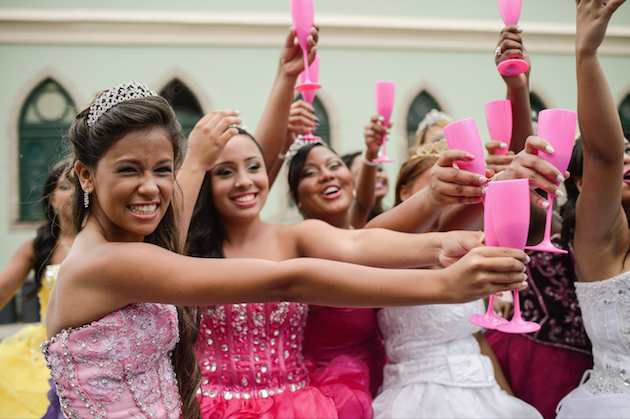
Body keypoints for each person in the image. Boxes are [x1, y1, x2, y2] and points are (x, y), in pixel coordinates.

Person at [41, 81, 529, 419]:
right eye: (129, 169)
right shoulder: (108, 263)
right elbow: (286, 279)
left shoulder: (135, 249)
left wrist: (448, 239)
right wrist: (442, 284)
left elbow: (357, 242)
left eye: (163, 169)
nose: (150, 187)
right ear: (85, 175)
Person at [371, 144, 542, 418]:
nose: (452, 193)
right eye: (441, 183)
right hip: (417, 402)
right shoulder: (386, 251)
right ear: (405, 191)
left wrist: (507, 398)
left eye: (459, 184)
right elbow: (424, 231)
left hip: (484, 395)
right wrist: (432, 199)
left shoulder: (461, 252)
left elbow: (476, 340)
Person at [556, 0, 630, 416]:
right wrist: (587, 54)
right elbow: (605, 156)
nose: (627, 161)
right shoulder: (602, 239)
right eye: (627, 156)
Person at [0, 160, 73, 419]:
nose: (74, 192)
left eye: (80, 185)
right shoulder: (37, 246)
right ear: (51, 198)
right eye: (65, 186)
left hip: (91, 348)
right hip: (43, 348)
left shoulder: (109, 243)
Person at [341, 115, 392, 226]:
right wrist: (371, 153)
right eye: (366, 171)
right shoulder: (349, 221)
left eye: (379, 169)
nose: (376, 175)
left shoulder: (393, 213)